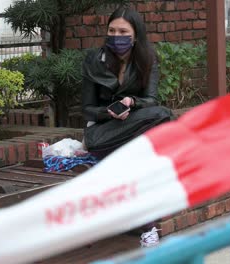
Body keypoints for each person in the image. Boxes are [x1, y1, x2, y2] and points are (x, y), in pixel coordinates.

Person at [81, 7, 173, 247]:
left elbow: (151, 100)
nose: (116, 36)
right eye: (112, 30)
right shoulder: (94, 59)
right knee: (158, 125)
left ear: (135, 34)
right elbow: (87, 108)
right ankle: (148, 230)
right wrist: (107, 111)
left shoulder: (147, 58)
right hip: (102, 133)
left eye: (123, 31)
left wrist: (132, 102)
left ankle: (148, 229)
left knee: (159, 116)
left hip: (133, 127)